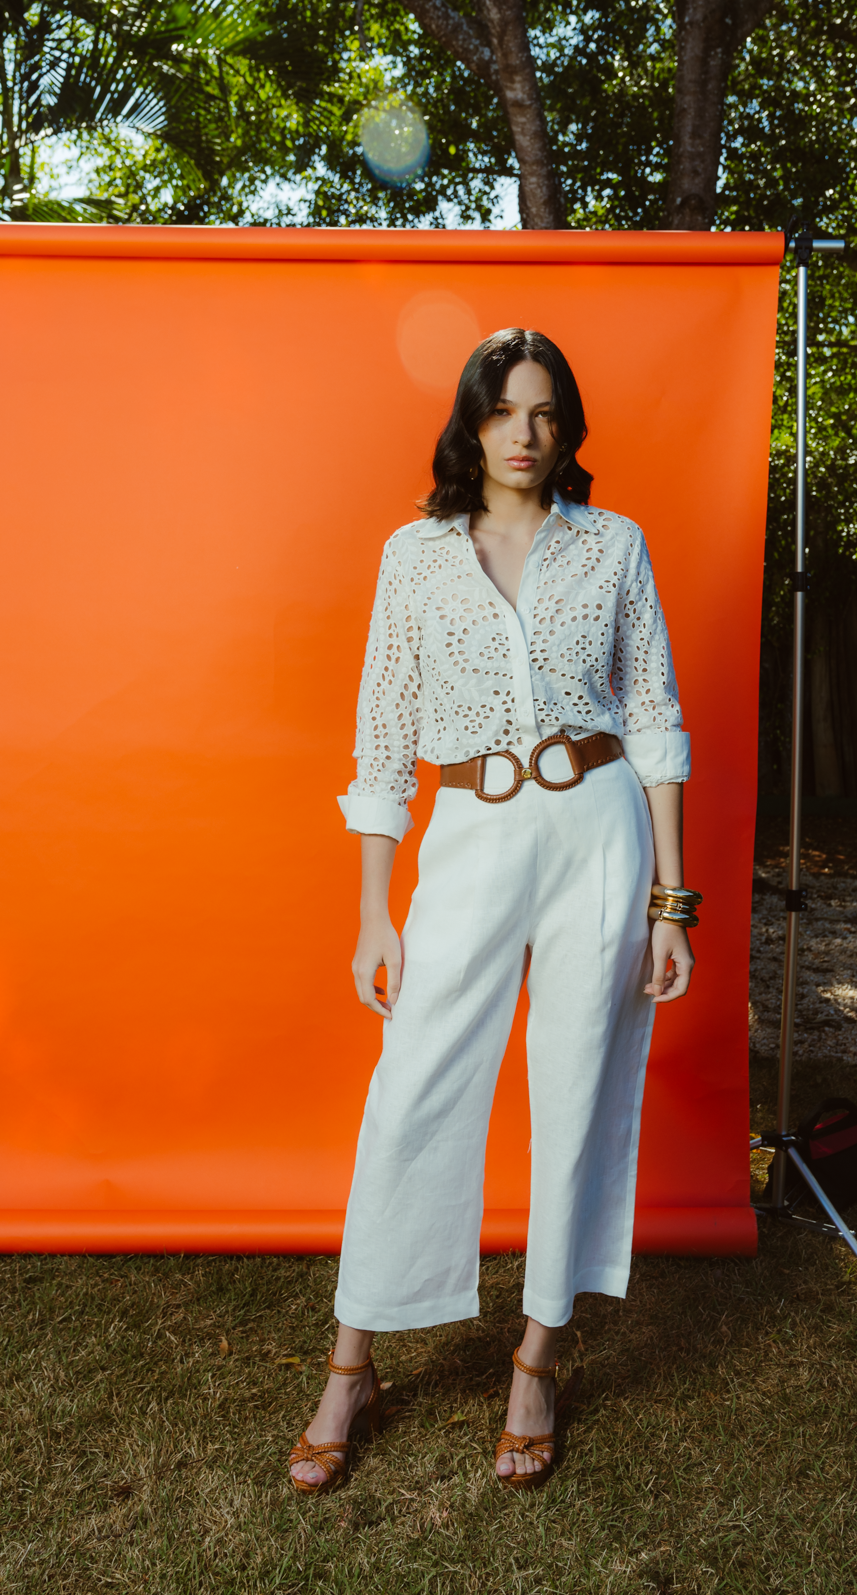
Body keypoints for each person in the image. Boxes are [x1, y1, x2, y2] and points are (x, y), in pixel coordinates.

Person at [288, 326, 698, 1495]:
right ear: (470, 422)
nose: (527, 433)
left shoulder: (614, 545)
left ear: (568, 429)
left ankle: (536, 1363)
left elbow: (656, 717)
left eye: (546, 412)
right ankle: (351, 1365)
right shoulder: (414, 556)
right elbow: (380, 739)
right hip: (470, 832)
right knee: (413, 1087)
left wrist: (671, 903)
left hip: (599, 832)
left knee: (578, 1087)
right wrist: (375, 911)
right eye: (506, 410)